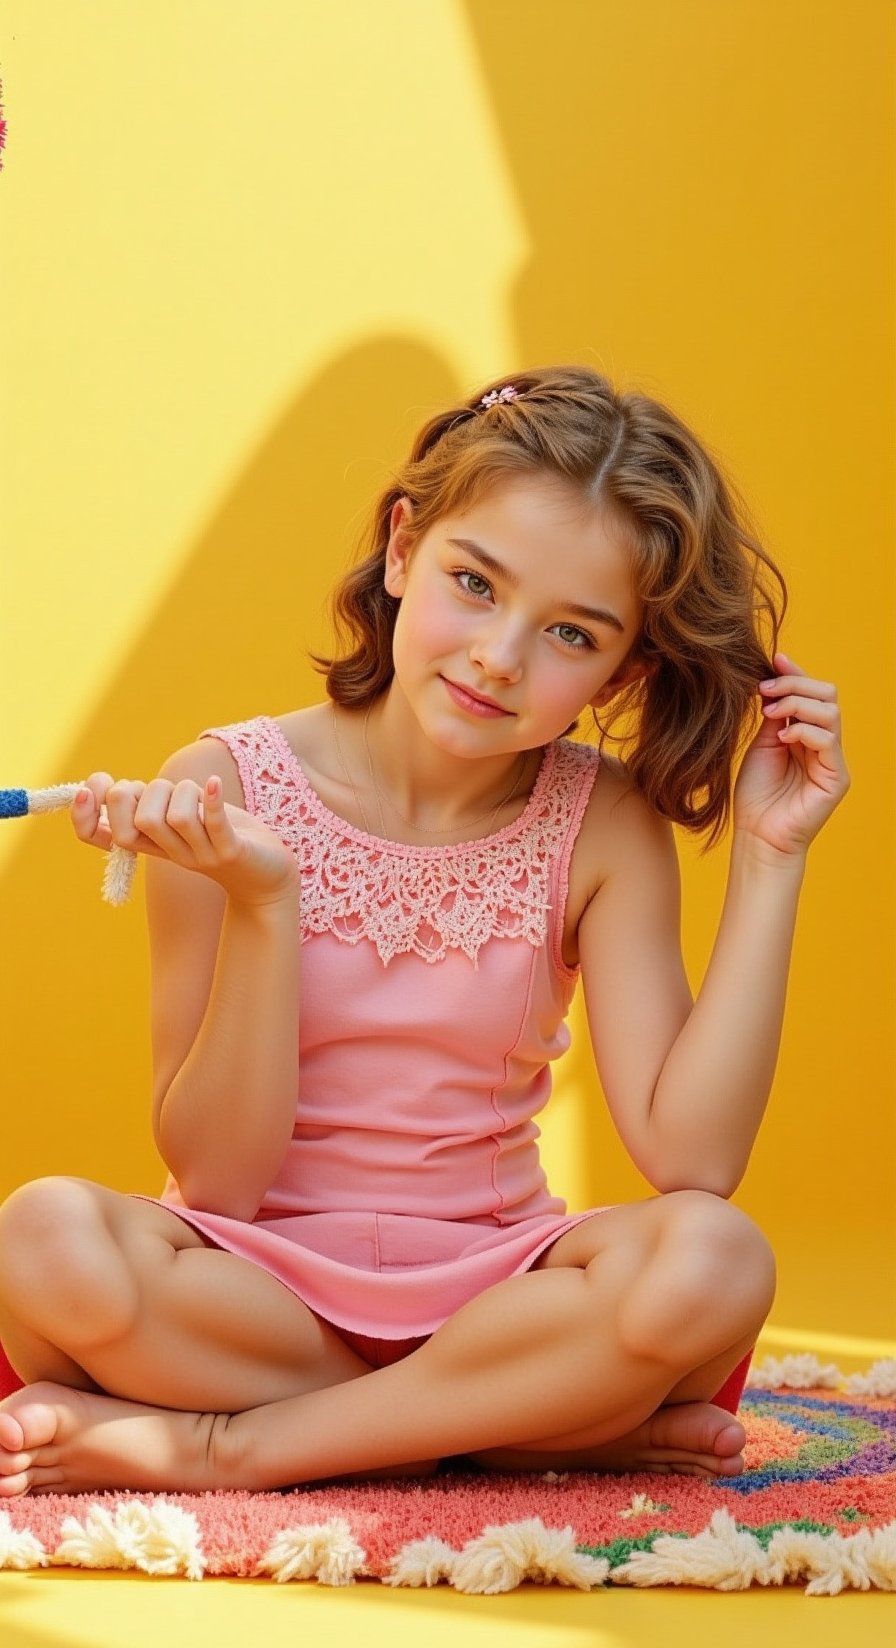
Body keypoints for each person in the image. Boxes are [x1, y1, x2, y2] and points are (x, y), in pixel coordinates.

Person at [0, 366, 848, 1497]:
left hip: (497, 1291)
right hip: (256, 1288)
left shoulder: (600, 821)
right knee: (43, 1238)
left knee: (713, 1258)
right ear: (402, 548)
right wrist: (263, 900)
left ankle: (228, 1446)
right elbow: (218, 1181)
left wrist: (770, 856)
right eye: (472, 582)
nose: (500, 655)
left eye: (570, 633)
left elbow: (689, 1160)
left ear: (626, 666)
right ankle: (514, 1429)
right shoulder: (220, 783)